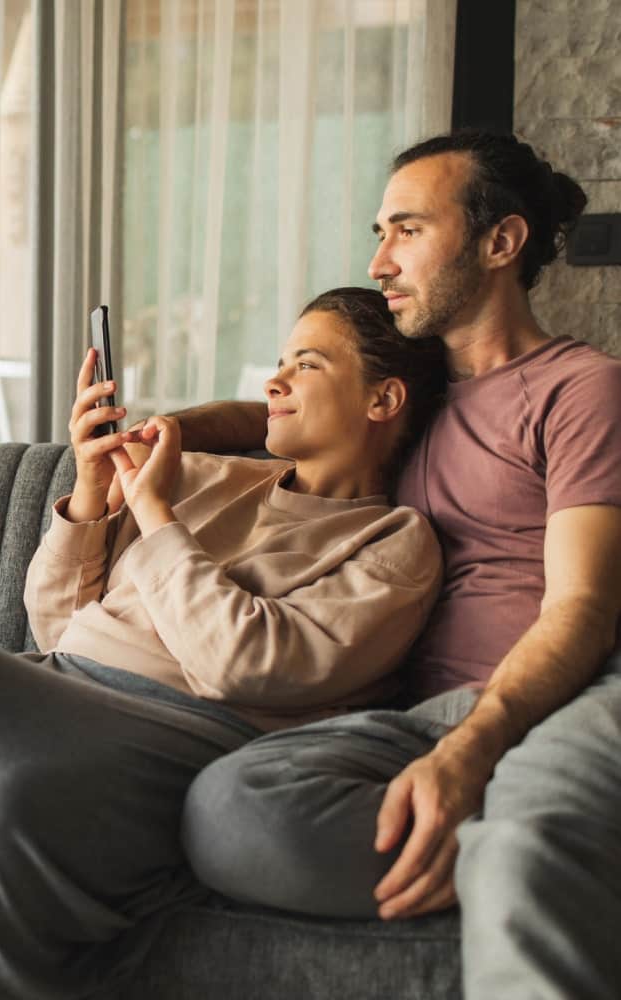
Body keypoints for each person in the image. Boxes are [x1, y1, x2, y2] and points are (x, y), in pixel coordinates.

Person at [0, 288, 446, 998]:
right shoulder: (212, 476)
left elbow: (249, 664)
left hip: (183, 733)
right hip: (60, 692)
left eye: (308, 365)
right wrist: (89, 490)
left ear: (384, 400)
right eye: (277, 362)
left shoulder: (390, 542)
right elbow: (60, 623)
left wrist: (152, 509)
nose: (274, 382)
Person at [179, 131, 621, 998]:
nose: (379, 262)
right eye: (379, 232)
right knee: (228, 810)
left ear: (501, 243)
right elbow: (282, 405)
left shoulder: (584, 389)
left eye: (408, 231)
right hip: (422, 712)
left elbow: (584, 606)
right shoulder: (411, 400)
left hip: (575, 688)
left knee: (529, 846)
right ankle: (513, 861)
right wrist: (170, 430)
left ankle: (529, 860)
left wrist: (470, 753)